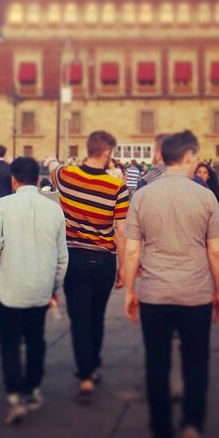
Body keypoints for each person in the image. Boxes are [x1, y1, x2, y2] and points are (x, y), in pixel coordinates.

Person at [123, 129, 219, 438]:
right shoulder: (205, 197)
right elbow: (215, 251)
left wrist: (130, 292)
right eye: (194, 156)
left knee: (157, 364)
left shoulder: (143, 196)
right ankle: (192, 426)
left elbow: (133, 249)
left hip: (155, 293)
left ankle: (163, 437)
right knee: (196, 363)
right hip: (195, 293)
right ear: (186, 156)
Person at [0, 156, 68, 425]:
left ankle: (13, 395)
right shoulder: (54, 209)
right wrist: (55, 286)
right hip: (41, 286)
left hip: (8, 285)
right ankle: (32, 389)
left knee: (8, 343)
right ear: (38, 178)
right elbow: (62, 256)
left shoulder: (1, 205)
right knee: (36, 340)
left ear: (13, 179)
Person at [51, 130, 130, 403]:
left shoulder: (65, 175)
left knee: (79, 319)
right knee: (97, 316)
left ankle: (85, 374)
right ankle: (93, 365)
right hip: (104, 260)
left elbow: (52, 167)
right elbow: (121, 232)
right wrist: (123, 267)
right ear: (108, 152)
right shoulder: (118, 188)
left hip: (73, 258)